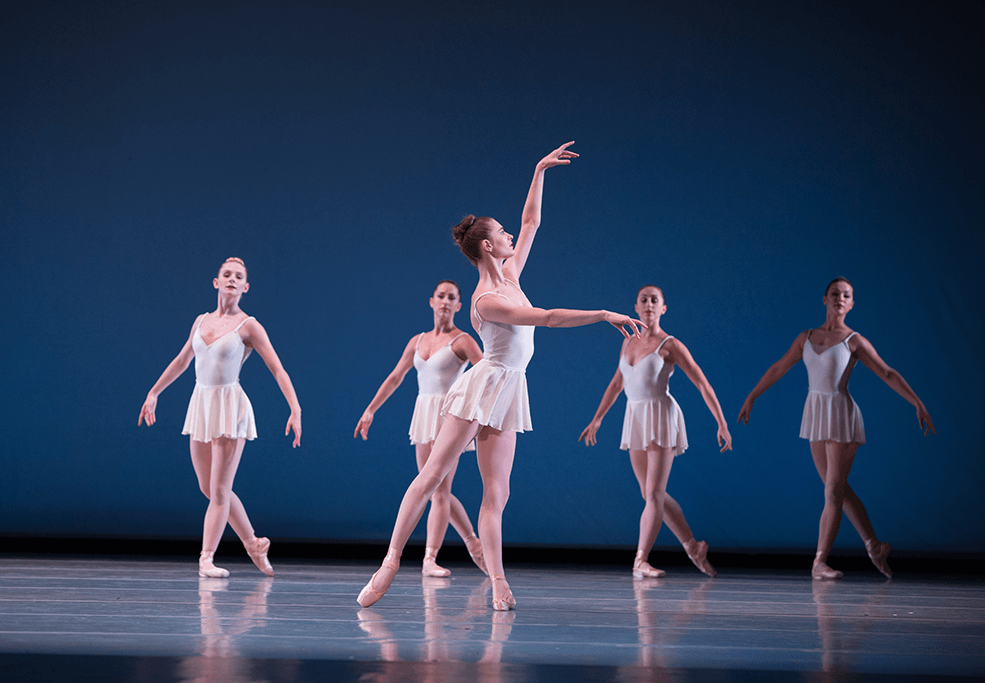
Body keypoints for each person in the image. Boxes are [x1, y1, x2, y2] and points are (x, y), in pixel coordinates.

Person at [356, 142, 645, 611]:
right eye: (502, 233)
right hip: (482, 386)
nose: (512, 235)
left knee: (498, 492)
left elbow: (531, 222)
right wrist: (602, 314)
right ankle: (389, 563)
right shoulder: (486, 299)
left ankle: (497, 581)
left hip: (509, 389)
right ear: (488, 245)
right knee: (432, 476)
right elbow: (548, 318)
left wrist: (538, 171)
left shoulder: (510, 274)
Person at [738, 277, 935, 579]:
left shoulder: (853, 340)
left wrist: (917, 402)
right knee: (837, 492)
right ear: (825, 299)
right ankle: (874, 545)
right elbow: (779, 367)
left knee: (832, 491)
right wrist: (752, 396)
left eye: (846, 295)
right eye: (835, 294)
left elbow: (886, 372)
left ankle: (819, 562)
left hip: (841, 414)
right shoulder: (806, 337)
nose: (840, 298)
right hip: (816, 413)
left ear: (852, 303)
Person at [138, 257, 302, 578]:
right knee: (208, 488)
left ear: (245, 287)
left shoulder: (249, 325)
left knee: (220, 489)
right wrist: (154, 392)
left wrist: (295, 408)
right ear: (216, 282)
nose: (231, 279)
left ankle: (206, 558)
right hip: (201, 403)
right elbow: (183, 360)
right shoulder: (200, 321)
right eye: (226, 274)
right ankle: (253, 543)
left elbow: (277, 369)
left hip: (230, 406)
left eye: (238, 276)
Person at [580, 285, 731, 579]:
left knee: (653, 493)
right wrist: (598, 418)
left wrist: (721, 422)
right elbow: (616, 383)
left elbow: (702, 382)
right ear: (635, 308)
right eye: (644, 300)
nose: (649, 304)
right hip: (636, 416)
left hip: (661, 416)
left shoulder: (670, 344)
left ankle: (640, 560)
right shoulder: (628, 342)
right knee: (650, 494)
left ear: (663, 308)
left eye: (655, 300)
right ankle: (692, 546)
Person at [354, 280, 488, 578]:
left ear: (458, 305)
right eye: (440, 295)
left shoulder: (463, 340)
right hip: (424, 412)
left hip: (449, 417)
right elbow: (395, 377)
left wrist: (476, 410)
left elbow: (486, 373)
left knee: (441, 491)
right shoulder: (418, 341)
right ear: (431, 301)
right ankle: (473, 543)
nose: (445, 301)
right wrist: (370, 409)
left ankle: (430, 558)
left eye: (451, 297)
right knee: (431, 487)